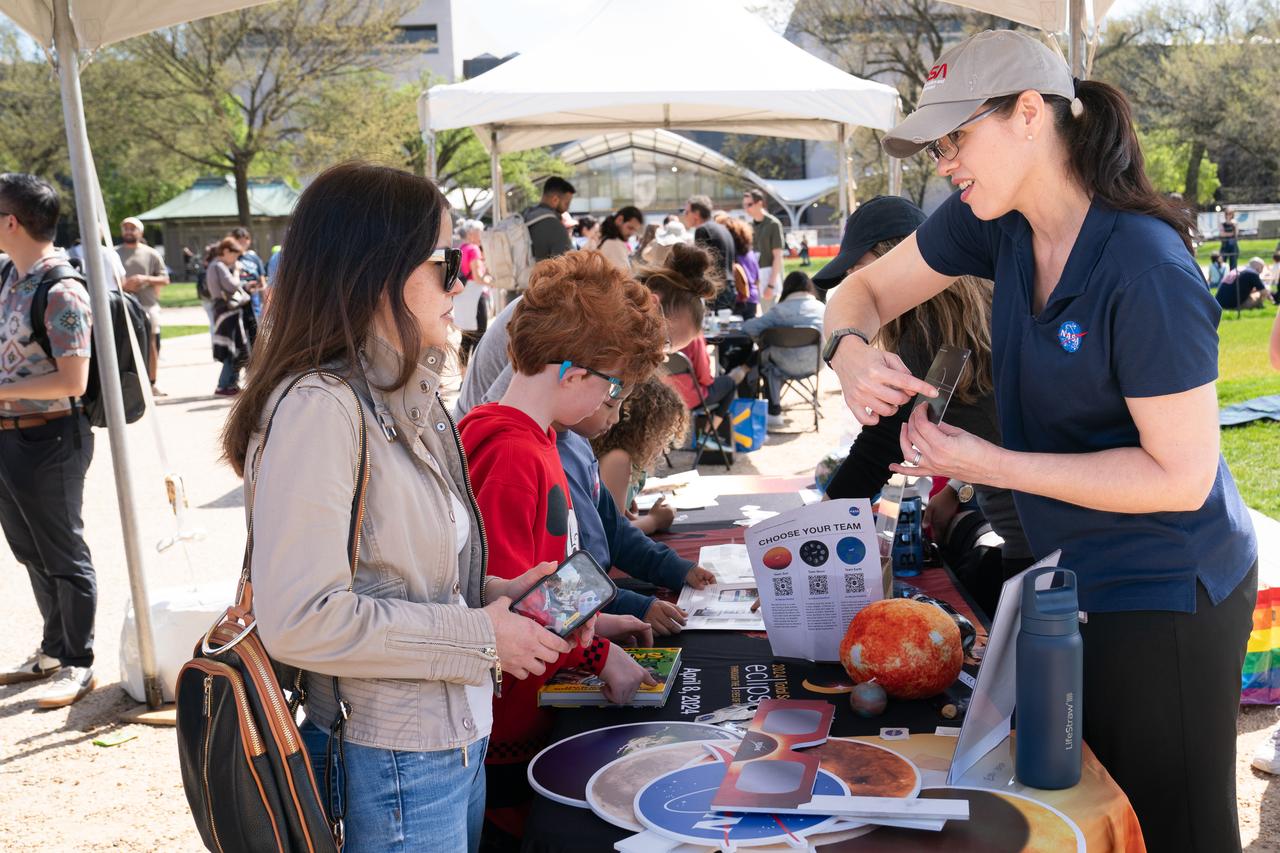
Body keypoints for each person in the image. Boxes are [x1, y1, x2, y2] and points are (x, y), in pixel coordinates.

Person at [825, 30, 1257, 851]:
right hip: (1072, 581)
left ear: (1030, 114)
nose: (945, 163)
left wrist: (988, 463)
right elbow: (865, 290)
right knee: (1087, 813)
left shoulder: (1146, 270)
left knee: (1176, 829)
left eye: (957, 138)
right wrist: (850, 352)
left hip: (1168, 590)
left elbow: (1182, 475)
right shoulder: (998, 225)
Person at [219, 162, 579, 852]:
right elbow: (301, 618)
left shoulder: (401, 390)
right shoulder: (322, 405)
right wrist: (480, 635)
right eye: (448, 262)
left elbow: (402, 576)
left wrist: (498, 594)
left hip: (447, 739)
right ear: (375, 269)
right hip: (392, 757)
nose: (463, 281)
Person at [458, 250, 663, 843]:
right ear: (574, 375)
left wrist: (603, 619)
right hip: (506, 728)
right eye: (614, 388)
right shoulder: (512, 454)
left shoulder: (538, 437)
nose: (612, 406)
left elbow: (547, 570)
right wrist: (599, 657)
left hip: (532, 698)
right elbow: (519, 603)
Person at [813, 196, 1032, 611]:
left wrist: (810, 540)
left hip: (1032, 537)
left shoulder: (921, 332)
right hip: (1045, 523)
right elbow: (994, 418)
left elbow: (876, 451)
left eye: (858, 271)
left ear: (891, 261)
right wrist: (957, 488)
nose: (856, 286)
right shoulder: (988, 303)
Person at [0, 174, 98, 709]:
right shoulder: (8, 278)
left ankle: (79, 662)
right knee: (29, 550)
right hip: (12, 437)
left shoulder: (60, 289)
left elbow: (72, 381)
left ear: (11, 221)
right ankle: (54, 650)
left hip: (51, 437)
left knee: (63, 552)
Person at [560, 388, 712, 635]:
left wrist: (674, 567)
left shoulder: (577, 442)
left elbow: (614, 530)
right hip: (587, 615)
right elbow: (552, 580)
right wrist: (632, 607)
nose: (616, 418)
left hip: (601, 602)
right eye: (609, 403)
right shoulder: (532, 455)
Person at [591, 377, 689, 536]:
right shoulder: (618, 458)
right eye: (661, 434)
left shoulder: (622, 457)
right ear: (643, 429)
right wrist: (654, 521)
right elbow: (612, 534)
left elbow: (617, 519)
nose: (662, 444)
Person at [741, 271, 826, 432]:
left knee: (765, 359)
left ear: (787, 288)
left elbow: (747, 328)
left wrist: (762, 339)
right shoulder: (821, 309)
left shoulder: (779, 311)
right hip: (815, 363)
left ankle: (773, 409)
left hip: (782, 365)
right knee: (772, 358)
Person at [116, 216, 169, 396]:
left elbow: (165, 279)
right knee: (123, 346)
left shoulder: (151, 254)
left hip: (147, 305)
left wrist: (144, 279)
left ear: (140, 231)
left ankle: (152, 382)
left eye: (133, 228)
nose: (129, 231)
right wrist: (123, 285)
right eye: (126, 228)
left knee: (151, 344)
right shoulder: (113, 253)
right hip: (121, 305)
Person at [206, 237, 252, 396]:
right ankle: (224, 385)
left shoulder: (216, 265)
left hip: (225, 311)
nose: (236, 259)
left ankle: (230, 383)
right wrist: (237, 272)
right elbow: (232, 285)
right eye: (235, 255)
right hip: (227, 312)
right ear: (226, 251)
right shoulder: (218, 265)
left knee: (234, 349)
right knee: (231, 350)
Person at [681, 194, 735, 311]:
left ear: (696, 214)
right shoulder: (722, 228)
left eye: (686, 212)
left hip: (716, 290)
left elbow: (700, 264)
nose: (684, 215)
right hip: (729, 286)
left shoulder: (702, 230)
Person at [455, 219, 492, 368]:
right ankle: (474, 375)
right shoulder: (474, 249)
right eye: (479, 231)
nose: (481, 234)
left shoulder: (461, 248)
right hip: (476, 296)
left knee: (465, 338)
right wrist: (493, 281)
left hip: (463, 296)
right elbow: (478, 277)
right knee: (479, 337)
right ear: (471, 233)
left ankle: (463, 377)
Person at [743, 189, 784, 304]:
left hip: (769, 276)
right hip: (755, 280)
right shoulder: (749, 226)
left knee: (771, 316)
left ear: (759, 203)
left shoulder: (773, 224)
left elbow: (778, 256)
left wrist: (770, 285)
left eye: (749, 204)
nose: (746, 208)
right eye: (744, 205)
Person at [718, 214, 760, 319]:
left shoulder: (730, 255)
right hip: (752, 298)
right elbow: (757, 279)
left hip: (738, 299)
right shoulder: (750, 253)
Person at [527, 177, 576, 262]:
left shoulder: (526, 216)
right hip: (540, 274)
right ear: (555, 200)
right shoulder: (555, 227)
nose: (567, 208)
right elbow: (565, 267)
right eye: (567, 203)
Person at [589, 205, 643, 271]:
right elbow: (624, 276)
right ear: (619, 220)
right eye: (630, 228)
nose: (631, 233)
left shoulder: (605, 237)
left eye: (635, 230)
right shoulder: (613, 243)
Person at [230, 226, 268, 316]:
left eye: (245, 240)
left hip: (254, 295)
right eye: (240, 241)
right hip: (239, 295)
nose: (243, 243)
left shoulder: (254, 258)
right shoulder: (231, 258)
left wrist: (263, 292)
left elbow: (262, 277)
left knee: (256, 321)